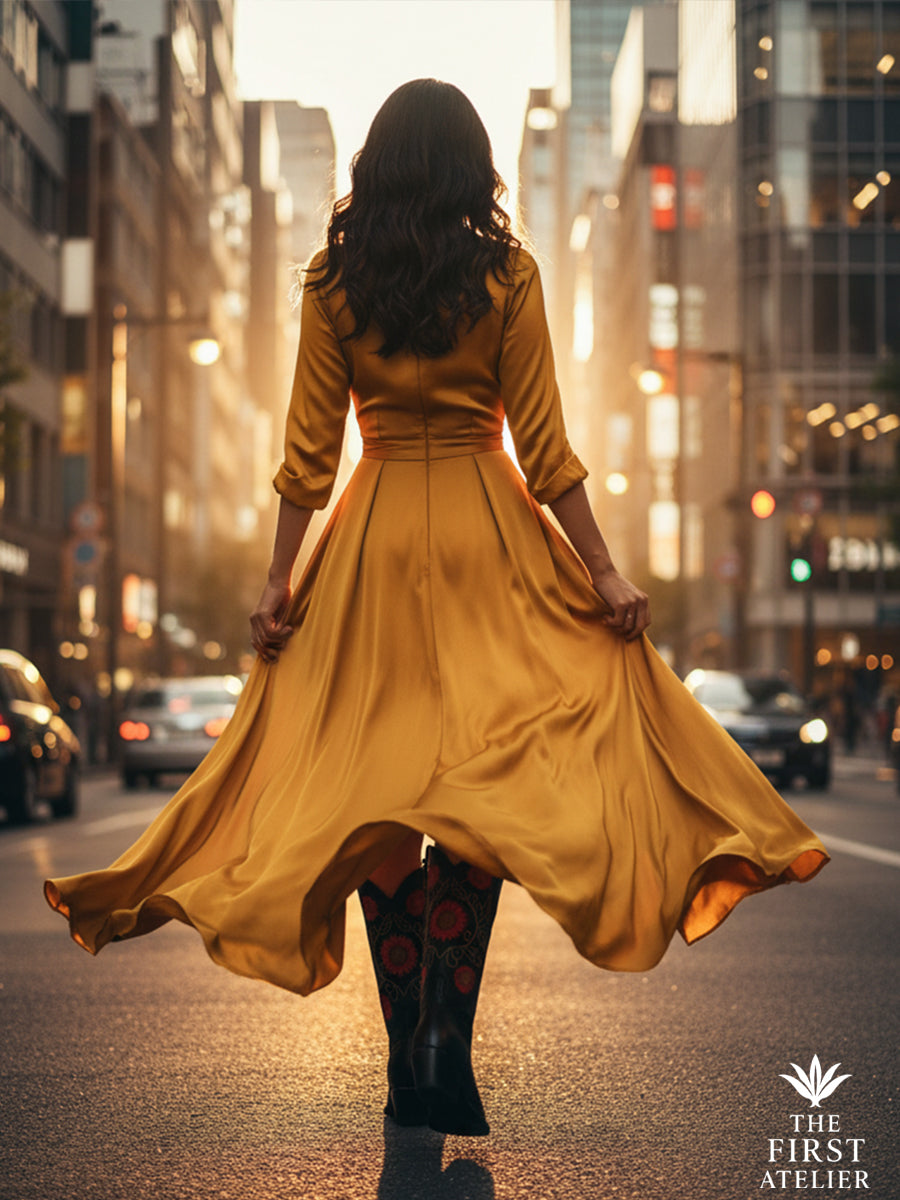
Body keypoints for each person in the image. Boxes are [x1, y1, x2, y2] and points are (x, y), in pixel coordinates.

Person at [45, 79, 828, 1139]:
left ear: (374, 164)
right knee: (486, 786)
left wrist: (279, 581)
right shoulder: (507, 273)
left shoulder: (333, 280)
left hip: (368, 547)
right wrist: (600, 571)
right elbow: (545, 449)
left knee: (375, 794)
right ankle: (440, 1029)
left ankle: (407, 1057)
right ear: (473, 166)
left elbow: (308, 456)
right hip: (486, 540)